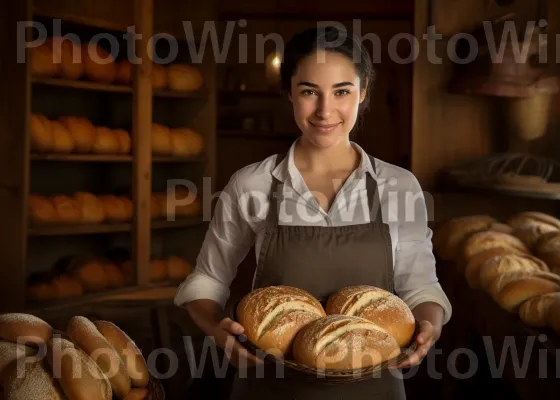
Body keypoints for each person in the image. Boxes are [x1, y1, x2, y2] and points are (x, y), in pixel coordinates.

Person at [174, 25, 452, 400]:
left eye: (342, 92)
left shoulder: (399, 187)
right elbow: (207, 279)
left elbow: (420, 286)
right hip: (270, 389)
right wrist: (216, 330)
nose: (325, 111)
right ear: (289, 91)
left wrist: (428, 327)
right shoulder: (251, 184)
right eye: (309, 92)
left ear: (363, 90)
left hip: (373, 390)